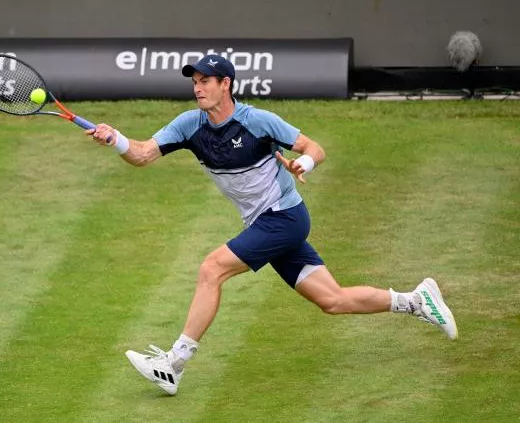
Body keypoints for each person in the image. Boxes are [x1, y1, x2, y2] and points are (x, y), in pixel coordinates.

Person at [87, 55, 458, 396]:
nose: (197, 87)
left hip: (284, 218)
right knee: (333, 300)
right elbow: (142, 154)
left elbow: (315, 148)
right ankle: (415, 300)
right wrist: (116, 139)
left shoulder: (258, 121)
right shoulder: (189, 125)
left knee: (212, 268)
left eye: (206, 80)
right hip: (266, 224)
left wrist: (304, 165)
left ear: (226, 84)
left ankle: (174, 364)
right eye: (194, 81)